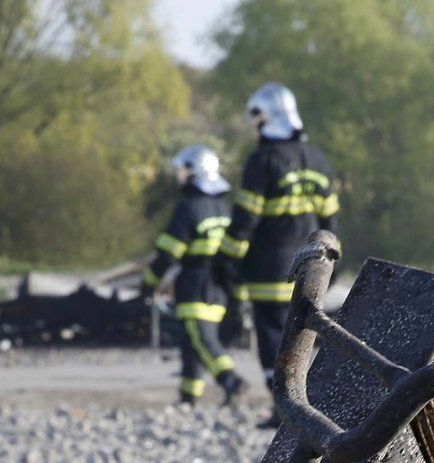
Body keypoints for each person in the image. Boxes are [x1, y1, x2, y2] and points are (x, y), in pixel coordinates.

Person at [220, 82, 338, 421]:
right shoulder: (318, 161)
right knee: (305, 333)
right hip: (312, 269)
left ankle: (283, 408)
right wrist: (333, 263)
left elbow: (246, 218)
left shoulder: (263, 160)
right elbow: (331, 219)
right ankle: (309, 406)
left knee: (273, 335)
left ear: (265, 119)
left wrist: (227, 258)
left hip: (269, 268)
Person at [144, 145, 246, 406]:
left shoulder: (188, 208)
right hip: (221, 288)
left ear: (195, 173)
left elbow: (169, 252)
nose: (180, 176)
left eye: (183, 170)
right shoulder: (226, 209)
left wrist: (149, 281)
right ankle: (189, 396)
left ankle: (231, 380)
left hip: (194, 286)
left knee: (203, 340)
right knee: (191, 342)